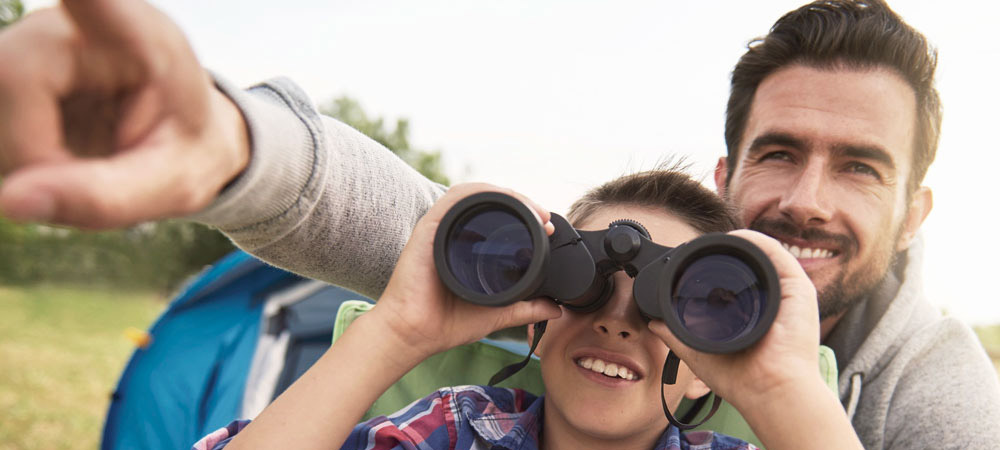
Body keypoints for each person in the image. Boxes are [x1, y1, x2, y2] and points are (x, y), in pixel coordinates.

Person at [0, 0, 997, 448]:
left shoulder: (939, 393)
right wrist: (225, 145)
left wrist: (780, 390)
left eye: (860, 167)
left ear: (915, 213)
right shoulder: (458, 429)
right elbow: (406, 219)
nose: (807, 201)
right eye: (781, 153)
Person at [192, 173, 862, 450]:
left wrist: (782, 387)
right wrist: (396, 331)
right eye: (590, 288)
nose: (618, 320)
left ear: (707, 370)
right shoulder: (457, 431)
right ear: (538, 318)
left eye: (676, 308)